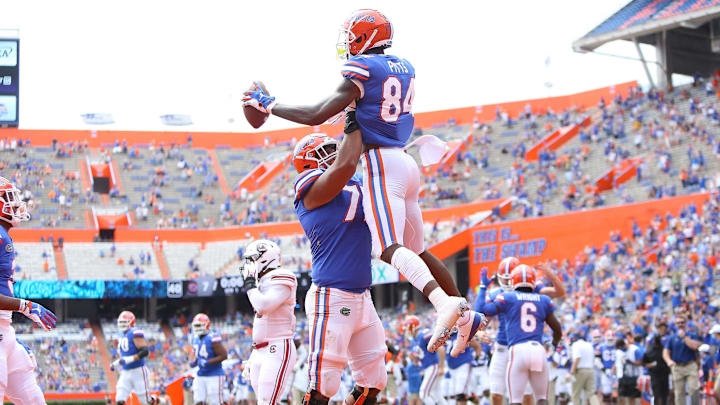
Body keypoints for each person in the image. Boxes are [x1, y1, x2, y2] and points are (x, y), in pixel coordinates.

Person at [243, 9, 478, 354]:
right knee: (418, 250)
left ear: (364, 37)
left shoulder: (363, 69)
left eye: (351, 36)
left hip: (382, 163)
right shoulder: (403, 67)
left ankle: (444, 304)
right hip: (405, 160)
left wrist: (271, 105)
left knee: (389, 248)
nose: (348, 43)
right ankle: (465, 313)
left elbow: (315, 115)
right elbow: (362, 107)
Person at [474, 258, 565, 405]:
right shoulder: (503, 293)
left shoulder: (517, 293)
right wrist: (478, 332)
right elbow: (482, 321)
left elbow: (558, 292)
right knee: (497, 395)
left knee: (525, 398)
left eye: (511, 278)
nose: (508, 282)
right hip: (505, 348)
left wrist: (483, 286)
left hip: (518, 349)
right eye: (505, 279)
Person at [0, 177, 57, 404]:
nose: (15, 204)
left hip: (4, 330)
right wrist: (26, 306)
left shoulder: (4, 236)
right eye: (8, 199)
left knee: (32, 397)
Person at [241, 240, 297, 405]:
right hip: (260, 350)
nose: (248, 264)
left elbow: (263, 307)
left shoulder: (283, 276)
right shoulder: (262, 281)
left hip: (278, 347)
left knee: (267, 402)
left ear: (264, 258)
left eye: (251, 259)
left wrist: (250, 283)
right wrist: (253, 355)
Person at [405, 315, 447, 405]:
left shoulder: (424, 334)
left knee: (423, 393)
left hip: (433, 366)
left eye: (407, 327)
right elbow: (417, 359)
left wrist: (441, 366)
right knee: (437, 394)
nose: (406, 330)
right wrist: (411, 356)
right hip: (427, 367)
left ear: (412, 326)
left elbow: (441, 349)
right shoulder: (414, 341)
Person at [112, 310, 151, 405]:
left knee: (145, 401)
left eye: (124, 322)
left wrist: (129, 359)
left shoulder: (135, 332)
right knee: (119, 399)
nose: (122, 324)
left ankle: (160, 401)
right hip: (125, 371)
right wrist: (116, 363)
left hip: (138, 370)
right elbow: (123, 355)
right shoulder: (121, 335)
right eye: (120, 322)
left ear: (131, 322)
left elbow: (145, 351)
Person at [190, 313, 228, 405]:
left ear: (206, 325)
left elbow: (224, 355)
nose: (197, 328)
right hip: (201, 374)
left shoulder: (212, 337)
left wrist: (208, 362)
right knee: (198, 401)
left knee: (216, 402)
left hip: (214, 374)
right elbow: (195, 355)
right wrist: (194, 361)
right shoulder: (195, 339)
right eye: (196, 325)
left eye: (199, 325)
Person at [663, 316, 702, 405]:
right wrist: (669, 361)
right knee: (679, 392)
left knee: (694, 388)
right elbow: (665, 351)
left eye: (682, 322)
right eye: (678, 323)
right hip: (678, 367)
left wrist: (684, 337)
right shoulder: (672, 338)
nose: (680, 324)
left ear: (685, 323)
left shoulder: (692, 334)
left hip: (690, 365)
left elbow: (695, 346)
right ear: (676, 325)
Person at [568, 333, 600, 405]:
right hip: (590, 370)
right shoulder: (589, 345)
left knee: (575, 394)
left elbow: (577, 358)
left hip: (580, 370)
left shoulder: (576, 345)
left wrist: (571, 372)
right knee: (591, 393)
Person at [643, 335, 670, 405]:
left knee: (665, 394)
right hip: (654, 375)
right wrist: (650, 365)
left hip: (665, 374)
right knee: (656, 394)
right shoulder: (649, 350)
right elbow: (644, 363)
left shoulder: (664, 349)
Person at [615, 337, 642, 405]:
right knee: (621, 396)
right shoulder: (619, 352)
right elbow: (617, 362)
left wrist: (630, 362)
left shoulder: (634, 349)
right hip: (623, 376)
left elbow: (640, 362)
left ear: (623, 345)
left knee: (632, 397)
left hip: (633, 376)